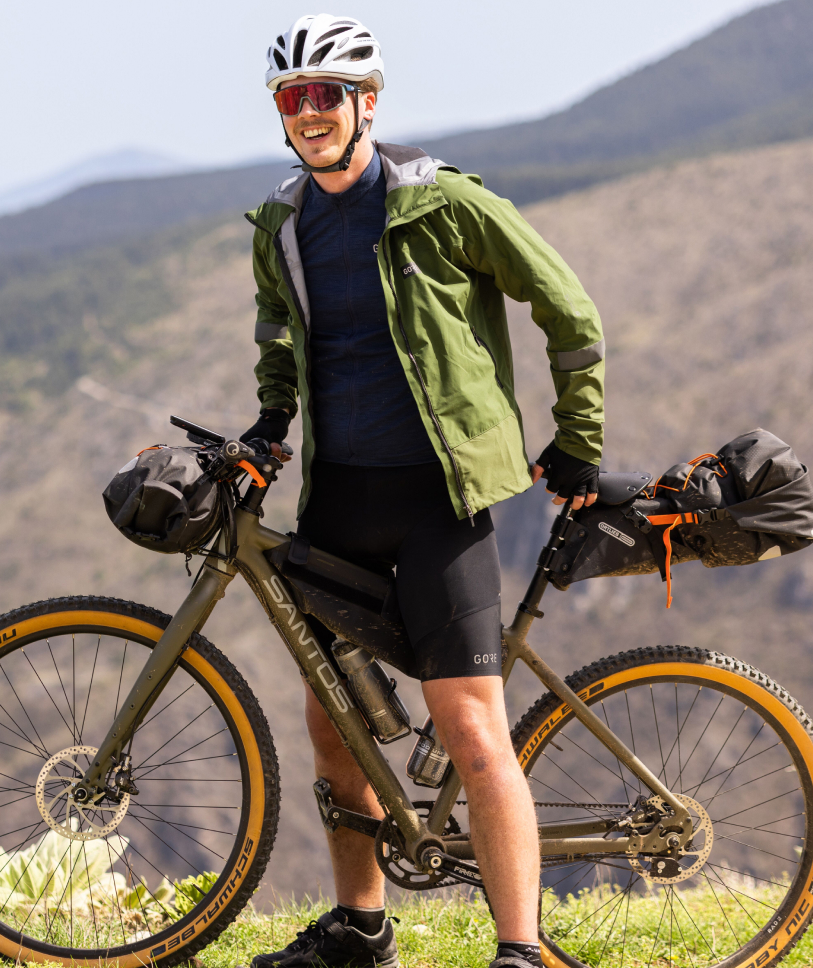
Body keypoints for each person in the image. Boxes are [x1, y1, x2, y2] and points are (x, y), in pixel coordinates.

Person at [239, 14, 606, 968]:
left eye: (328, 94)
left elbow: (567, 307)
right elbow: (280, 338)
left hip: (441, 498)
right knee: (333, 723)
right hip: (341, 499)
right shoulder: (282, 223)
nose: (310, 111)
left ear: (368, 102)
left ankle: (519, 950)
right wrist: (269, 429)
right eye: (293, 97)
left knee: (473, 727)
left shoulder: (443, 203)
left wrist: (578, 439)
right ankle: (363, 932)